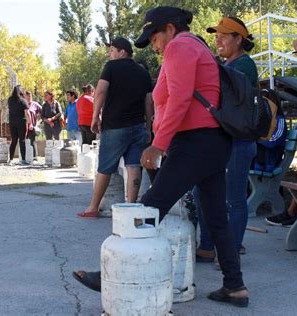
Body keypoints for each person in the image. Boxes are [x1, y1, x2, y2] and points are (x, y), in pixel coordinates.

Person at [73, 7, 249, 308]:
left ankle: (110, 275)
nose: (154, 45)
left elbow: (180, 98)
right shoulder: (196, 46)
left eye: (154, 37)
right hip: (212, 142)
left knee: (149, 207)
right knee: (216, 217)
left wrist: (159, 145)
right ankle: (235, 287)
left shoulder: (180, 46)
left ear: (169, 28)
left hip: (194, 142)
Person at [196, 17, 259, 263]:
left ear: (239, 39)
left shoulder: (244, 65)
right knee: (203, 192)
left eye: (224, 34)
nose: (217, 39)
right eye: (216, 34)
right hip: (222, 140)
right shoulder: (225, 64)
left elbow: (218, 88)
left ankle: (231, 251)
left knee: (233, 198)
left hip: (239, 141)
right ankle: (208, 247)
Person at [76, 37, 152, 218]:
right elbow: (149, 101)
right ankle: (131, 208)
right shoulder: (142, 72)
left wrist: (95, 117)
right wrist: (148, 127)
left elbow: (100, 91)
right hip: (138, 127)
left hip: (115, 127)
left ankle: (93, 208)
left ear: (122, 52)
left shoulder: (111, 67)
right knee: (133, 166)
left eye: (111, 50)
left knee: (105, 168)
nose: (109, 54)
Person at [8, 86, 31, 163]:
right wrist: (30, 122)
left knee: (13, 141)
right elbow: (27, 113)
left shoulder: (10, 100)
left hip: (12, 122)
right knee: (22, 140)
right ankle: (23, 159)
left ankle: (10, 159)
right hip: (21, 122)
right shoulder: (23, 100)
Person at [25, 90, 42, 159]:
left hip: (32, 125)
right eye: (27, 96)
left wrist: (39, 115)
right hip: (24, 125)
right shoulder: (23, 104)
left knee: (32, 141)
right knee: (25, 141)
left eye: (30, 96)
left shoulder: (35, 104)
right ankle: (26, 156)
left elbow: (42, 110)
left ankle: (34, 156)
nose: (29, 98)